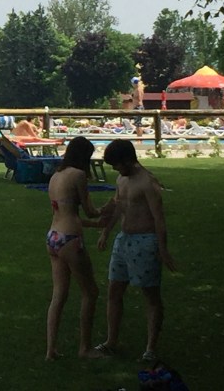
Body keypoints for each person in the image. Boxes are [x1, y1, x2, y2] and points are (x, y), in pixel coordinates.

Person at [95, 140, 177, 362]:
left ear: (128, 160)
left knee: (150, 295)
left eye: (117, 164)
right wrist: (106, 231)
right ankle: (111, 341)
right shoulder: (121, 179)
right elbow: (118, 205)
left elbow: (159, 218)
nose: (115, 169)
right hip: (124, 239)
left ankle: (150, 348)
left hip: (145, 241)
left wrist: (162, 248)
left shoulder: (148, 183)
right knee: (114, 291)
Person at [45, 136, 105, 360]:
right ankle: (85, 348)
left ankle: (51, 349)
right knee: (90, 292)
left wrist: (94, 224)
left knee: (59, 294)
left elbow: (65, 213)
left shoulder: (56, 176)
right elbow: (89, 211)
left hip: (53, 237)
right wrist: (108, 208)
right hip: (71, 239)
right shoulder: (78, 175)